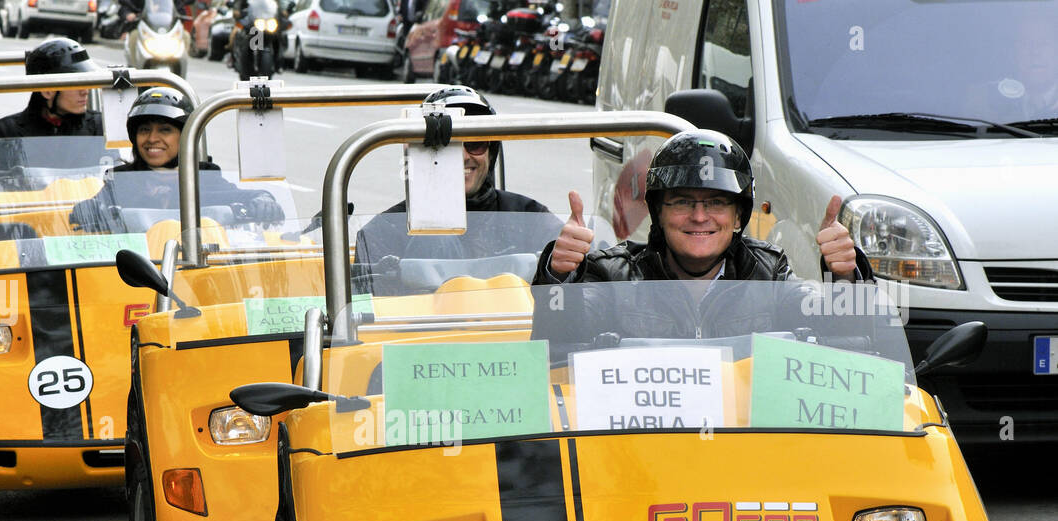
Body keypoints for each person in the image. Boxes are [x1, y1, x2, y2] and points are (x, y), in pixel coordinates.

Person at [532, 130, 874, 351]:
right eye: (682, 202)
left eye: (716, 202)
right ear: (658, 213)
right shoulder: (612, 274)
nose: (699, 216)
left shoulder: (768, 272)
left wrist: (844, 277)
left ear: (739, 216)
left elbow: (841, 337)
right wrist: (559, 277)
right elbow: (558, 340)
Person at [352, 86, 562, 294]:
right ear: (420, 152)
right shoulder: (382, 232)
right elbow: (365, 312)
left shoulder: (530, 218)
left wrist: (569, 262)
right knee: (433, 237)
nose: (462, 156)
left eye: (475, 142)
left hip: (516, 328)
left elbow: (565, 304)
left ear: (491, 152)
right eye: (447, 144)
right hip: (423, 328)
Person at [69, 88, 287, 231]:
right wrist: (87, 209)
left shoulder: (203, 177)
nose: (152, 139)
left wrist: (264, 199)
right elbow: (94, 206)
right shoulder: (121, 181)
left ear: (185, 136)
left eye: (165, 130)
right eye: (144, 130)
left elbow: (240, 195)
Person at [0, 38, 106, 140]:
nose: (85, 91)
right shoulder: (10, 132)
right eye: (76, 84)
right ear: (47, 91)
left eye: (86, 82)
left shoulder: (99, 126)